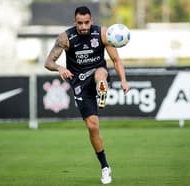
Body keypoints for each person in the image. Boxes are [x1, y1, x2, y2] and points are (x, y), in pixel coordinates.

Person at [44, 6, 129, 184]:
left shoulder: (103, 34)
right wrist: (60, 67)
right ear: (74, 22)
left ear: (92, 21)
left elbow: (116, 60)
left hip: (98, 73)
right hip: (79, 84)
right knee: (93, 127)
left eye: (87, 22)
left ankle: (101, 89)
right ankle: (105, 166)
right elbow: (48, 62)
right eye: (80, 23)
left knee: (100, 74)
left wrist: (123, 80)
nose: (83, 26)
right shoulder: (66, 38)